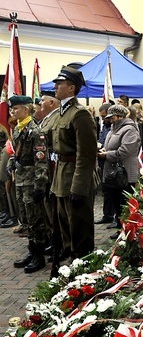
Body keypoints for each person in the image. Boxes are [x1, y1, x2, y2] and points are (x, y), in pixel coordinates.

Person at [51, 66, 97, 260]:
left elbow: (86, 155)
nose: (55, 87)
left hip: (75, 179)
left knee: (79, 229)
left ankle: (84, 270)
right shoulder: (62, 112)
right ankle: (72, 266)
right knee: (65, 228)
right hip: (61, 177)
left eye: (59, 84)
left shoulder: (80, 114)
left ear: (71, 88)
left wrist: (79, 188)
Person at [7, 95, 48, 274]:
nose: (13, 112)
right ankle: (32, 252)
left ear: (25, 109)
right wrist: (11, 164)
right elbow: (15, 152)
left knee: (35, 219)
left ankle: (39, 255)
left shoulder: (34, 131)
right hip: (21, 179)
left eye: (16, 108)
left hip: (31, 180)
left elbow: (41, 160)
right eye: (12, 109)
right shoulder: (18, 129)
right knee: (24, 217)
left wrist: (40, 185)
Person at [98, 104, 141, 239]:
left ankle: (128, 231)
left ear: (120, 116)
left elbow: (124, 151)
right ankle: (122, 229)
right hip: (113, 174)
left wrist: (106, 155)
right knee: (117, 203)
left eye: (112, 117)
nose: (110, 120)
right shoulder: (112, 130)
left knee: (125, 204)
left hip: (125, 174)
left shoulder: (129, 130)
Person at [39, 90, 60, 258]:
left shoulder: (56, 117)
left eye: (42, 100)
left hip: (53, 169)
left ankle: (58, 244)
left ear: (51, 102)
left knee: (55, 209)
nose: (40, 103)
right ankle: (53, 241)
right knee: (48, 208)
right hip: (46, 170)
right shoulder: (47, 118)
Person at [94, 103, 115, 225]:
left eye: (104, 116)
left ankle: (114, 216)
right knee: (106, 190)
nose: (103, 119)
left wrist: (103, 148)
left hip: (111, 162)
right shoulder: (105, 127)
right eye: (101, 117)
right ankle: (107, 215)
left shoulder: (114, 128)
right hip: (103, 161)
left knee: (112, 191)